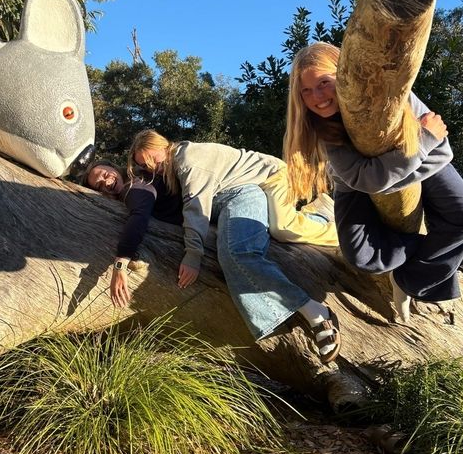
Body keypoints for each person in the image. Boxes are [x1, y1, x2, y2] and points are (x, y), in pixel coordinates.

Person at [283, 41, 463, 321]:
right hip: (358, 187)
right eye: (306, 91)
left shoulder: (391, 93)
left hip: (424, 166)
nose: (317, 96)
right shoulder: (323, 128)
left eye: (324, 83)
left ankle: (410, 281)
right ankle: (414, 252)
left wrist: (389, 175)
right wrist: (414, 152)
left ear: (343, 76)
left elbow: (442, 149)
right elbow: (363, 180)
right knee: (364, 257)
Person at [125, 131, 343, 362]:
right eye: (144, 166)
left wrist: (193, 255)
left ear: (162, 146)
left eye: (151, 159)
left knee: (259, 241)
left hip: (264, 180)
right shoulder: (174, 166)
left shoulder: (189, 160)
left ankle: (320, 299)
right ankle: (317, 214)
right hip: (233, 195)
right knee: (270, 233)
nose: (151, 167)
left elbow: (196, 209)